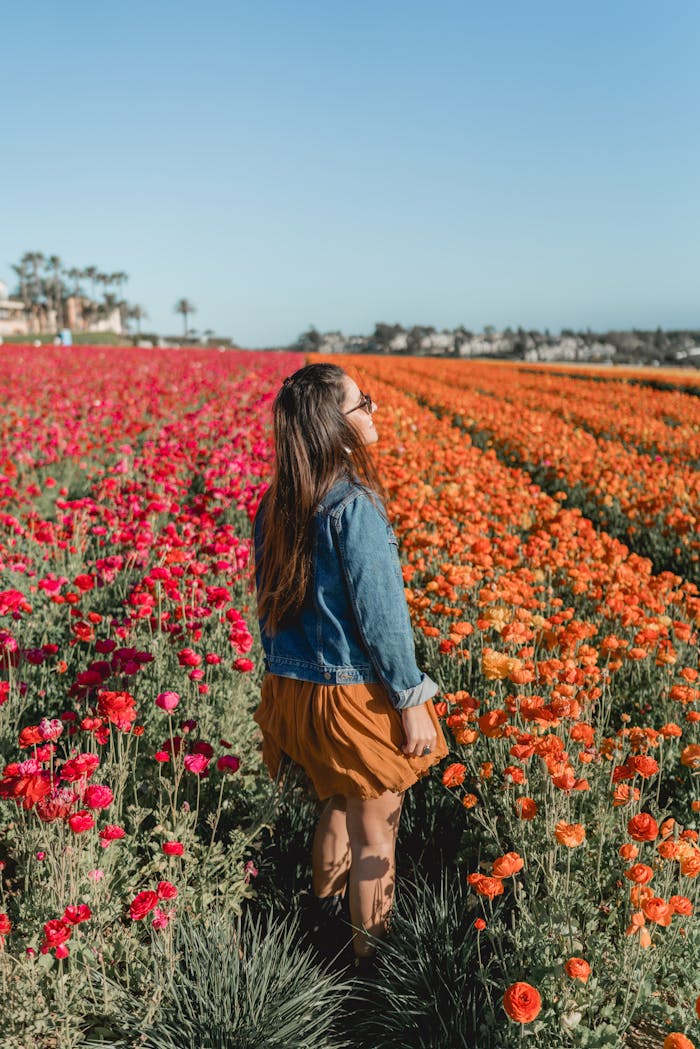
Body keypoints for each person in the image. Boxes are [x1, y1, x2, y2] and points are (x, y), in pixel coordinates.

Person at [251, 362, 448, 970]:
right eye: (363, 402)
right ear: (335, 425)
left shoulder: (275, 503)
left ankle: (318, 929)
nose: (372, 411)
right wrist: (412, 702)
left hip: (296, 689)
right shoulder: (353, 506)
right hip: (354, 697)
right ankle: (372, 978)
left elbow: (268, 608)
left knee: (334, 803)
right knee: (376, 834)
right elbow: (382, 618)